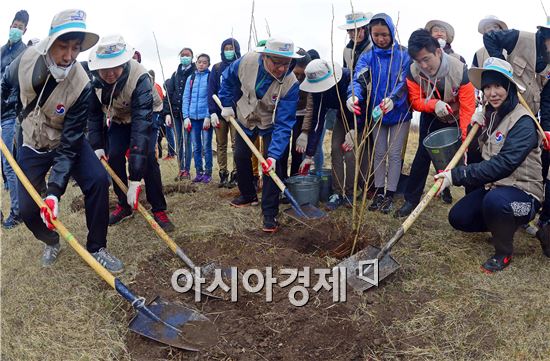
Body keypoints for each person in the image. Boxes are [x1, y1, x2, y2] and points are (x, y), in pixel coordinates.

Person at [2, 9, 123, 271]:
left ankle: (97, 246)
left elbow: (70, 143)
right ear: (50, 41)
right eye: (63, 46)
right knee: (27, 209)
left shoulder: (82, 85)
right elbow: (4, 83)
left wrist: (55, 191)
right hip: (31, 143)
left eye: (76, 48)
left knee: (98, 180)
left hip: (66, 141)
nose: (69, 56)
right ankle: (51, 240)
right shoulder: (25, 60)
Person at [436, 57, 545, 272]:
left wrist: (455, 176)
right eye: (487, 87)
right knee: (459, 217)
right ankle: (501, 226)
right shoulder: (491, 115)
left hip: (525, 196)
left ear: (509, 88)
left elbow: (503, 164)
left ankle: (503, 252)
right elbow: (477, 156)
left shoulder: (523, 122)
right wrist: (474, 128)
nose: (492, 92)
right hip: (496, 189)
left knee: (496, 203)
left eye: (498, 86)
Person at [87, 34, 175, 232]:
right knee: (115, 156)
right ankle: (123, 204)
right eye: (104, 69)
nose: (109, 73)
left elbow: (140, 129)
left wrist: (135, 179)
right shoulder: (94, 83)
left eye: (114, 67)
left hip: (146, 117)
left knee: (147, 161)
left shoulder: (140, 78)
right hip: (119, 118)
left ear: (124, 63)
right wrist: (98, 145)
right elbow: (93, 116)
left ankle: (159, 208)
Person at [218, 37, 301, 232]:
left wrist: (272, 155)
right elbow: (227, 80)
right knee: (240, 155)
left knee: (272, 165)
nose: (281, 68)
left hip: (270, 122)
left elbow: (284, 123)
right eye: (276, 62)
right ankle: (248, 195)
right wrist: (227, 103)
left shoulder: (291, 84)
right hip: (245, 116)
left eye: (286, 63)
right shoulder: (246, 61)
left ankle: (270, 213)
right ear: (264, 56)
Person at [395, 29, 475, 218]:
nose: (423, 65)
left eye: (427, 59)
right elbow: (415, 101)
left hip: (456, 115)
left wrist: (465, 143)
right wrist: (433, 104)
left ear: (438, 52)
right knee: (423, 156)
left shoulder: (460, 70)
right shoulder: (413, 71)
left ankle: (470, 203)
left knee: (464, 158)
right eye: (418, 61)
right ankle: (411, 200)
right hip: (431, 115)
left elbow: (467, 108)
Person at [349, 13, 412, 214]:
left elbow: (405, 81)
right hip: (377, 112)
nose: (380, 39)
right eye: (376, 35)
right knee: (378, 152)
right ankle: (377, 192)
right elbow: (358, 79)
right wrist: (353, 96)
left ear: (392, 32)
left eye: (384, 34)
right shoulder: (368, 57)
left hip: (399, 111)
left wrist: (394, 99)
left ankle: (390, 194)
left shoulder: (403, 54)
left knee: (394, 154)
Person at [300, 59, 354, 210]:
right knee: (336, 150)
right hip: (340, 118)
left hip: (357, 118)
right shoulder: (318, 93)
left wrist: (354, 130)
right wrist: (309, 155)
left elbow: (363, 104)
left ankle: (350, 193)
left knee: (350, 153)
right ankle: (337, 193)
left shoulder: (347, 78)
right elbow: (317, 122)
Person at [0, 10, 29, 229]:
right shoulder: (1, 52)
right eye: (14, 25)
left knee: (10, 165)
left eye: (20, 27)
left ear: (25, 30)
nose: (16, 29)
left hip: (11, 116)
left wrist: (10, 104)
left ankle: (17, 212)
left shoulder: (25, 53)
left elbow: (20, 86)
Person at [207, 38, 241, 188]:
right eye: (226, 48)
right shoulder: (216, 68)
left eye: (231, 48)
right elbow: (211, 91)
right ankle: (223, 173)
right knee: (221, 144)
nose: (229, 51)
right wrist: (213, 112)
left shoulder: (241, 66)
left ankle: (236, 173)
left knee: (236, 144)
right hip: (220, 113)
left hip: (236, 113)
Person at [164, 47, 195, 180]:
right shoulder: (175, 74)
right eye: (182, 55)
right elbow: (169, 94)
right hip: (176, 113)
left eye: (187, 55)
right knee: (179, 141)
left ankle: (187, 170)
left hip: (189, 113)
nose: (184, 57)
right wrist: (167, 113)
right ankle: (180, 169)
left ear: (192, 57)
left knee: (188, 141)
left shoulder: (195, 73)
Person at [280, 48, 312, 180]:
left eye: (302, 75)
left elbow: (310, 106)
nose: (299, 78)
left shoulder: (311, 80)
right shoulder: (283, 77)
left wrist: (305, 131)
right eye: (296, 74)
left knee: (298, 150)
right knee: (283, 148)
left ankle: (295, 179)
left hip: (303, 114)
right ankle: (282, 181)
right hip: (286, 115)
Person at [182, 53, 213, 183]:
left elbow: (211, 98)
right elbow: (186, 98)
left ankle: (208, 172)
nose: (201, 64)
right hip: (192, 119)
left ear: (208, 64)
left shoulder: (210, 78)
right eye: (199, 62)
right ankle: (198, 172)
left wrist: (208, 116)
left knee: (206, 146)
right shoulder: (191, 78)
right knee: (196, 147)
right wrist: (186, 117)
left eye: (204, 62)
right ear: (196, 63)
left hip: (205, 118)